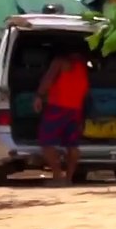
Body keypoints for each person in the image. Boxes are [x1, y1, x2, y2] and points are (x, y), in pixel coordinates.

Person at [33, 53, 90, 185]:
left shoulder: (59, 61)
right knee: (73, 144)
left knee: (46, 141)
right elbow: (86, 91)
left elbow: (48, 79)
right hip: (76, 109)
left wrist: (39, 95)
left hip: (57, 108)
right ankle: (68, 179)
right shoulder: (83, 66)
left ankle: (58, 176)